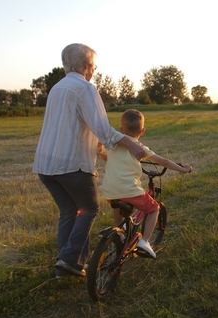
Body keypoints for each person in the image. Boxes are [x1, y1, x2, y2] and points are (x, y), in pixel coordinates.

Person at [32, 43, 145, 279]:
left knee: (69, 212)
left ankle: (65, 263)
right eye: (93, 66)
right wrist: (133, 144)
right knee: (89, 209)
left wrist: (96, 144)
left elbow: (72, 125)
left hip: (45, 166)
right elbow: (103, 130)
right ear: (85, 67)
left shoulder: (57, 88)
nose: (93, 71)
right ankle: (71, 259)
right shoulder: (84, 88)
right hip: (71, 165)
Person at [99, 109, 192, 258]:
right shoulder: (140, 148)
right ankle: (145, 241)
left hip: (109, 189)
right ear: (142, 131)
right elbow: (164, 162)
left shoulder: (113, 144)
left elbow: (104, 156)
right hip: (129, 189)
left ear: (121, 129)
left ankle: (119, 231)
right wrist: (184, 169)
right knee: (154, 208)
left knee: (117, 200)